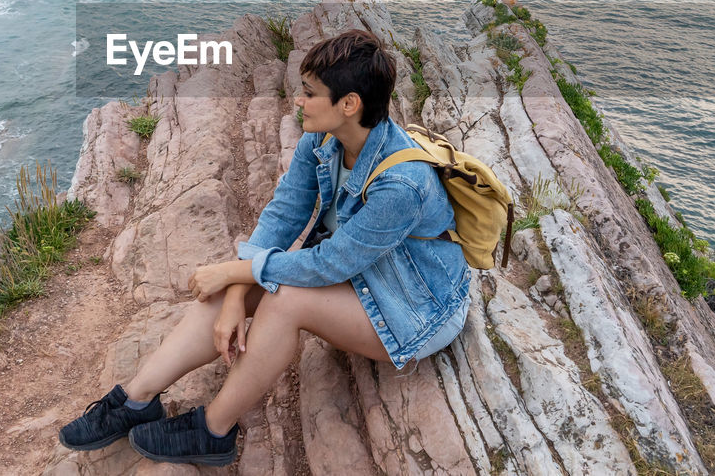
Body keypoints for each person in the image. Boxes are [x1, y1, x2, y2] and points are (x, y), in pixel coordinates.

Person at [58, 29, 472, 466]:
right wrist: (235, 291)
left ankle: (213, 431)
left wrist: (239, 271)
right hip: (362, 275)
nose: (298, 100)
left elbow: (329, 264)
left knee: (283, 299)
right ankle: (136, 399)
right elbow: (284, 213)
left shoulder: (401, 185)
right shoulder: (325, 138)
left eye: (310, 93)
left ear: (349, 104)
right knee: (235, 281)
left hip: (414, 306)